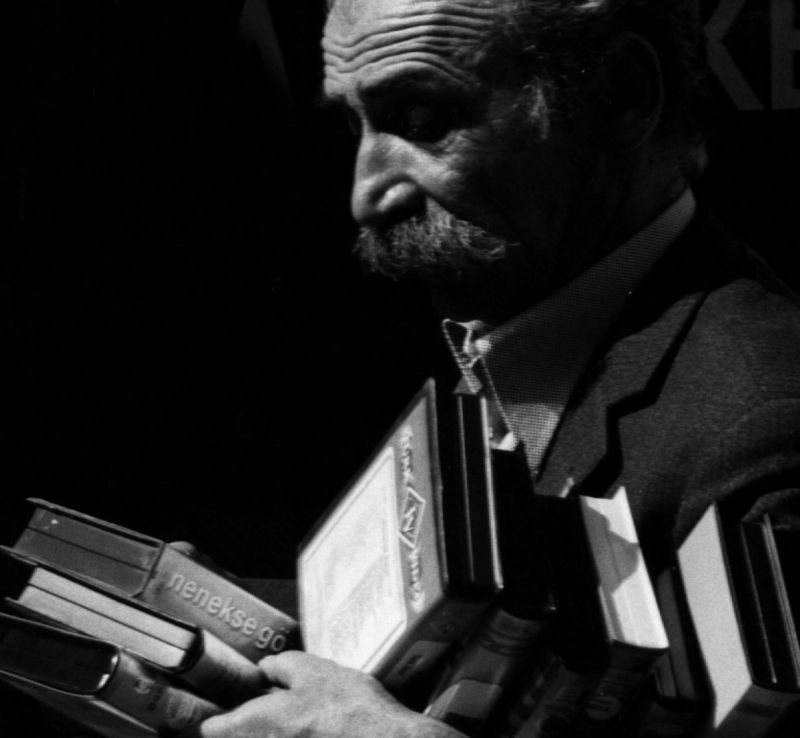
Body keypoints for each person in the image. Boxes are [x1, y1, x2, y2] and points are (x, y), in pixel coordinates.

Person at [196, 0, 800, 736]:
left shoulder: (768, 429)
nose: (367, 196)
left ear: (621, 95)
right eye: (355, 128)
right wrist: (247, 618)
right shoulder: (516, 317)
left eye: (423, 119)